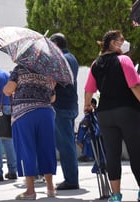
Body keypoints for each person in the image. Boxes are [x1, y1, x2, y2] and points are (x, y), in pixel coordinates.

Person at [84, 30, 140, 202]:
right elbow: (135, 85)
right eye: (122, 40)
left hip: (105, 114)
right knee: (135, 152)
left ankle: (115, 195)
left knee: (112, 154)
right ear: (114, 43)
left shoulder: (95, 64)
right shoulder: (124, 60)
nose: (125, 43)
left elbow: (89, 89)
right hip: (127, 111)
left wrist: (87, 105)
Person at [3, 65, 57, 200]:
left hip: (24, 114)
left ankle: (30, 191)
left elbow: (9, 90)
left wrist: (5, 89)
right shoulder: (47, 70)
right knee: (47, 149)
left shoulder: (20, 69)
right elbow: (53, 98)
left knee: (26, 150)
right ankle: (50, 188)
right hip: (46, 113)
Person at [49, 33, 80, 190]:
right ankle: (72, 177)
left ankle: (71, 180)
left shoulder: (61, 59)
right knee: (68, 144)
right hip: (71, 104)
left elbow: (55, 83)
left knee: (65, 145)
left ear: (55, 43)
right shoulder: (71, 57)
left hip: (61, 106)